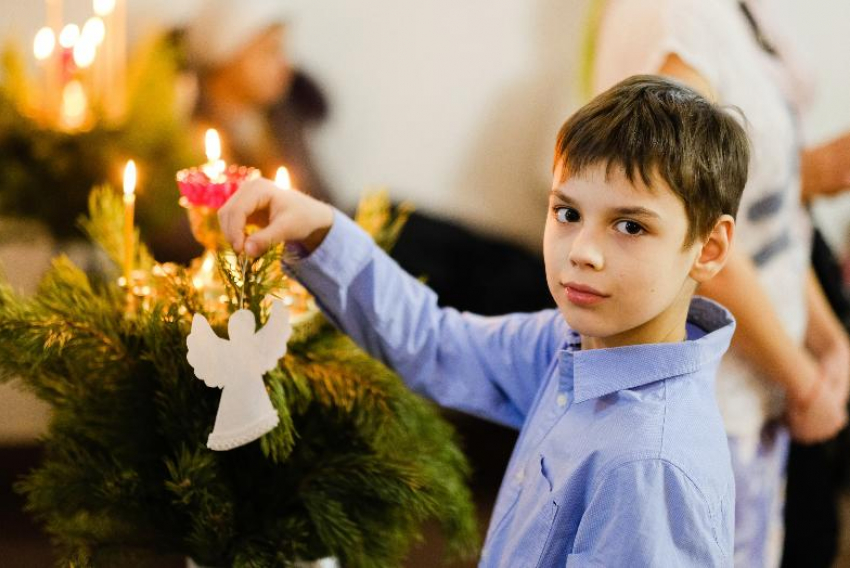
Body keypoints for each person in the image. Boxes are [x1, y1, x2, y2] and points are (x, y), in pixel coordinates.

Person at [218, 75, 748, 565]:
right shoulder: (572, 343)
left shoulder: (647, 467)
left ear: (709, 247)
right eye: (567, 213)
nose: (582, 251)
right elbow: (437, 342)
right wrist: (321, 232)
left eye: (629, 226)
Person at [590, 1, 850, 566]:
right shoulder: (671, 24)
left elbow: (763, 221)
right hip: (717, 396)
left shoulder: (727, 14)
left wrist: (828, 342)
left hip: (759, 382)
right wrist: (804, 382)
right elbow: (689, 243)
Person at [186, 0, 331, 202]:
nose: (285, 65)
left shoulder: (283, 119)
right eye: (270, 51)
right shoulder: (186, 135)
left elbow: (322, 203)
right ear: (227, 56)